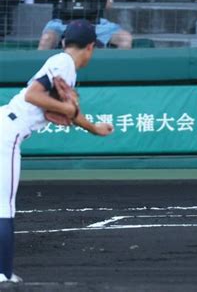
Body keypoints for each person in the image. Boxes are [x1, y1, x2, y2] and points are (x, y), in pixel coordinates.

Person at [0, 19, 114, 283]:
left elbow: (68, 112)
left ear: (64, 41)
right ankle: (3, 276)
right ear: (90, 48)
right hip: (8, 133)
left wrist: (93, 128)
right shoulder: (65, 62)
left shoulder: (64, 65)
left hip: (6, 122)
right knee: (4, 207)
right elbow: (32, 95)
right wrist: (67, 109)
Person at [38, 0, 132, 50]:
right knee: (46, 39)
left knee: (125, 39)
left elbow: (108, 4)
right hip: (62, 23)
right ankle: (41, 70)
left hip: (96, 23)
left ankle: (115, 70)